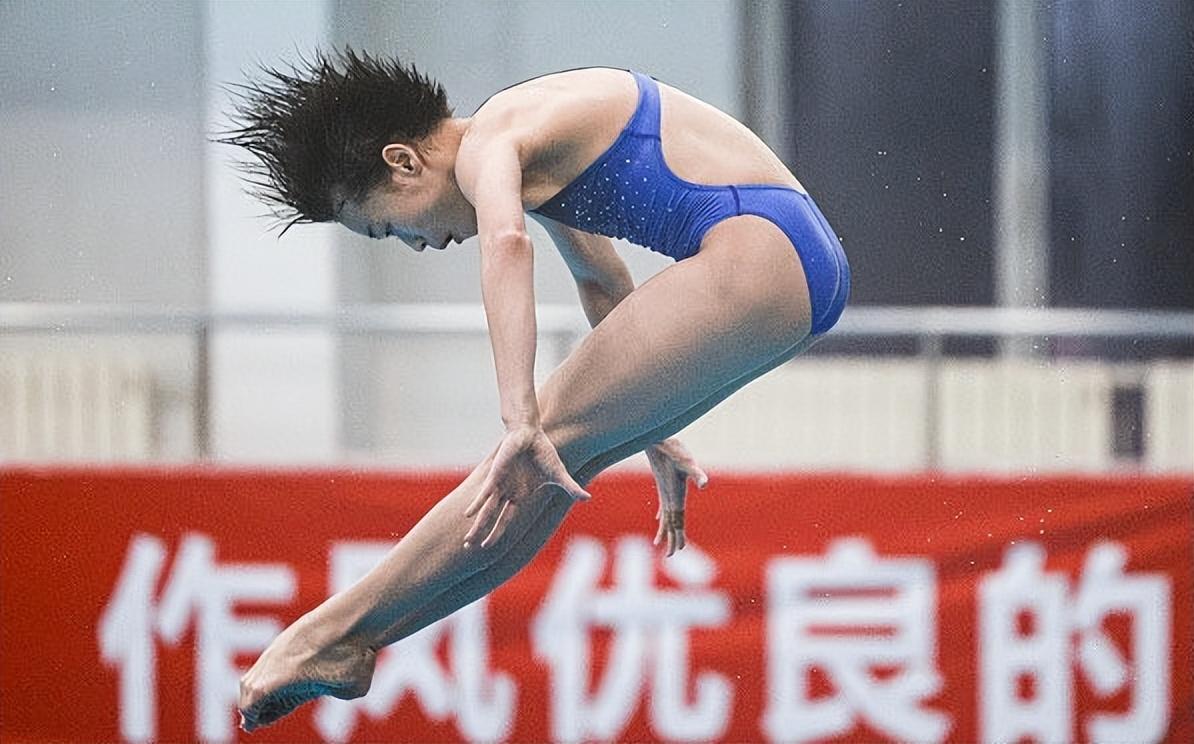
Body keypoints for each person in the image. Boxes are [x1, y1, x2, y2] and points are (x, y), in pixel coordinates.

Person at [216, 47, 849, 731]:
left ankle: (321, 636)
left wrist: (521, 415)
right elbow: (602, 280)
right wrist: (654, 427)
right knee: (551, 470)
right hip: (793, 261)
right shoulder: (530, 138)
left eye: (386, 225)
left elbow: (508, 245)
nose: (413, 243)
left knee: (536, 446)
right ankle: (359, 643)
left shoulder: (491, 144)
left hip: (760, 248)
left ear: (403, 162)